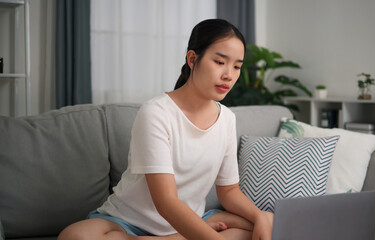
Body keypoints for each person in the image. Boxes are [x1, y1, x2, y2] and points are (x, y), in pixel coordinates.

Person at [58, 19, 273, 240]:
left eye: (237, 66)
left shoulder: (227, 118)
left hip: (191, 220)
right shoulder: (156, 112)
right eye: (219, 62)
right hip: (127, 224)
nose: (229, 74)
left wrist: (260, 217)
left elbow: (228, 191)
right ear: (192, 59)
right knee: (74, 237)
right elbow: (166, 203)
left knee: (261, 225)